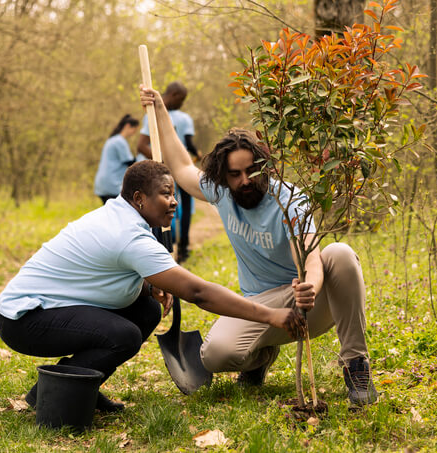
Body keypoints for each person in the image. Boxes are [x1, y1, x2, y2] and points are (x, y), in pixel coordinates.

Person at [0, 160, 306, 413]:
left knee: (145, 310)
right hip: (24, 318)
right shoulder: (130, 236)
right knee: (123, 336)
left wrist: (145, 287)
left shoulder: (118, 215)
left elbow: (101, 272)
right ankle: (53, 397)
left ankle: (83, 386)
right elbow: (198, 293)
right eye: (165, 194)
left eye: (173, 194)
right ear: (139, 199)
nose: (174, 202)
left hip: (45, 307)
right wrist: (270, 315)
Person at [139, 85, 378, 406]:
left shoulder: (289, 200)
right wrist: (161, 112)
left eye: (251, 171)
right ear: (224, 175)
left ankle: (356, 364)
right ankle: (260, 357)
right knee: (214, 355)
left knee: (340, 253)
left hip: (310, 303)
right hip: (261, 308)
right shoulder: (222, 191)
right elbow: (181, 168)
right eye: (235, 174)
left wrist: (310, 286)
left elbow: (310, 258)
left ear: (264, 166)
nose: (244, 180)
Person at [138, 82, 201, 263]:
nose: (182, 103)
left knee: (171, 207)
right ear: (173, 94)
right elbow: (188, 143)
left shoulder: (170, 115)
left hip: (178, 168)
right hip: (167, 169)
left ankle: (178, 248)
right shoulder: (162, 115)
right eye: (181, 99)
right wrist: (163, 164)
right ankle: (171, 248)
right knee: (168, 207)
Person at [94, 114, 140, 204]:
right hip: (112, 186)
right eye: (134, 130)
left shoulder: (112, 140)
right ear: (127, 126)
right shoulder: (120, 141)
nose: (134, 133)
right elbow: (131, 163)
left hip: (102, 185)